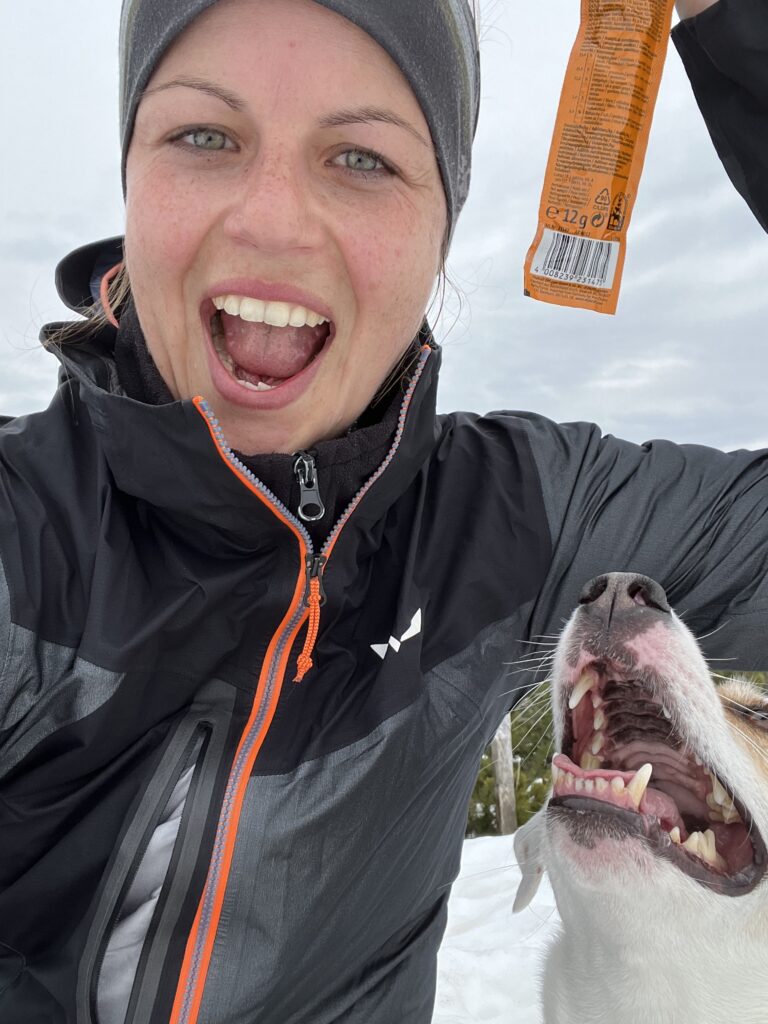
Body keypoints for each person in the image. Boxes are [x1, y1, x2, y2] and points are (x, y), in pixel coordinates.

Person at [0, 1, 766, 1022]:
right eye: (203, 136)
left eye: (360, 158)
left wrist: (735, 32)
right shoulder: (22, 530)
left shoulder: (511, 513)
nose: (272, 221)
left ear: (444, 227)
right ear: (131, 177)